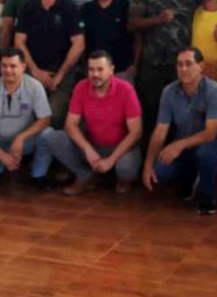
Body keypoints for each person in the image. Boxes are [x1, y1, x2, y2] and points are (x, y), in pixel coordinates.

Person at [44, 51, 143, 195]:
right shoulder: (81, 87)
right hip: (93, 145)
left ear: (111, 70)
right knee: (52, 137)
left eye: (100, 69)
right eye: (91, 69)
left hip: (121, 147)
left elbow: (136, 132)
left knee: (126, 168)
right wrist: (88, 150)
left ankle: (122, 179)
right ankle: (86, 176)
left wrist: (112, 159)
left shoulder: (126, 89)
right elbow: (70, 125)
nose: (95, 74)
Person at [142, 47, 217, 215]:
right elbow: (160, 130)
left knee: (204, 153)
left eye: (188, 64)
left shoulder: (214, 90)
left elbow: (211, 133)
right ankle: (189, 180)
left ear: (201, 66)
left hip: (210, 143)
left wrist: (179, 145)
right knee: (160, 171)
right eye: (179, 64)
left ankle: (207, 198)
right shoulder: (169, 92)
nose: (183, 69)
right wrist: (148, 165)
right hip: (183, 142)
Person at [128, 0, 200, 137]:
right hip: (152, 65)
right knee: (151, 116)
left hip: (183, 67)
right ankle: (151, 155)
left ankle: (178, 154)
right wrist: (157, 20)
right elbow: (132, 24)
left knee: (183, 117)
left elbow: (213, 3)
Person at [14, 0, 85, 129]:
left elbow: (79, 45)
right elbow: (19, 42)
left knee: (55, 115)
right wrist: (35, 70)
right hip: (32, 70)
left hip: (61, 73)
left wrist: (60, 74)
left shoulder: (70, 9)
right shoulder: (27, 8)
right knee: (26, 113)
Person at [0, 48, 54, 189]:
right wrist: (1, 154)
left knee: (49, 134)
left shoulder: (35, 86)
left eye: (13, 66)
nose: (8, 70)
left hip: (25, 141)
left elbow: (45, 119)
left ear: (23, 67)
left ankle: (39, 174)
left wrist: (21, 138)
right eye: (4, 66)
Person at [80, 0, 140, 82]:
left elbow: (137, 38)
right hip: (94, 72)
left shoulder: (126, 7)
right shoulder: (85, 9)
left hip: (122, 70)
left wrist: (135, 64)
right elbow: (80, 41)